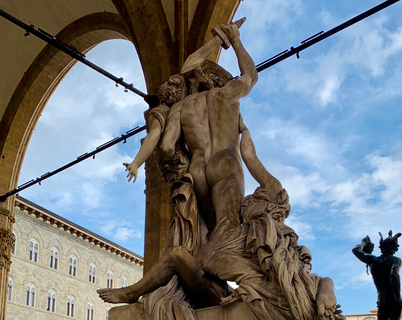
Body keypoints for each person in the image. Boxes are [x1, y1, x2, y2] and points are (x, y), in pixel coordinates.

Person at [98, 117, 343, 320]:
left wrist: (242, 128)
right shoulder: (245, 231)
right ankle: (131, 293)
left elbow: (249, 155)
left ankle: (131, 293)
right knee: (176, 255)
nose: (248, 203)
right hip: (220, 288)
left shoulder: (269, 227)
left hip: (238, 294)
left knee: (176, 255)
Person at [155, 21, 258, 239]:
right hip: (225, 161)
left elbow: (165, 147)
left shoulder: (182, 107)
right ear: (217, 80)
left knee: (209, 236)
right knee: (228, 234)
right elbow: (251, 75)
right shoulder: (227, 94)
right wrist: (236, 40)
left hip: (197, 169)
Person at [352, 231, 402, 320]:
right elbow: (394, 275)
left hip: (382, 299)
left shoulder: (373, 260)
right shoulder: (395, 260)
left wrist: (363, 243)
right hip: (393, 298)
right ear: (394, 249)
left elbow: (355, 250)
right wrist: (398, 297)